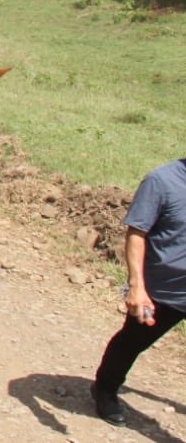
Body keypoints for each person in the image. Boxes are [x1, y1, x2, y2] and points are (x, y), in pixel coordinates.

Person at [92, 157, 186, 426]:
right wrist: (137, 287)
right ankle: (105, 388)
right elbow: (137, 233)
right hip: (163, 291)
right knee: (131, 343)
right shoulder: (162, 181)